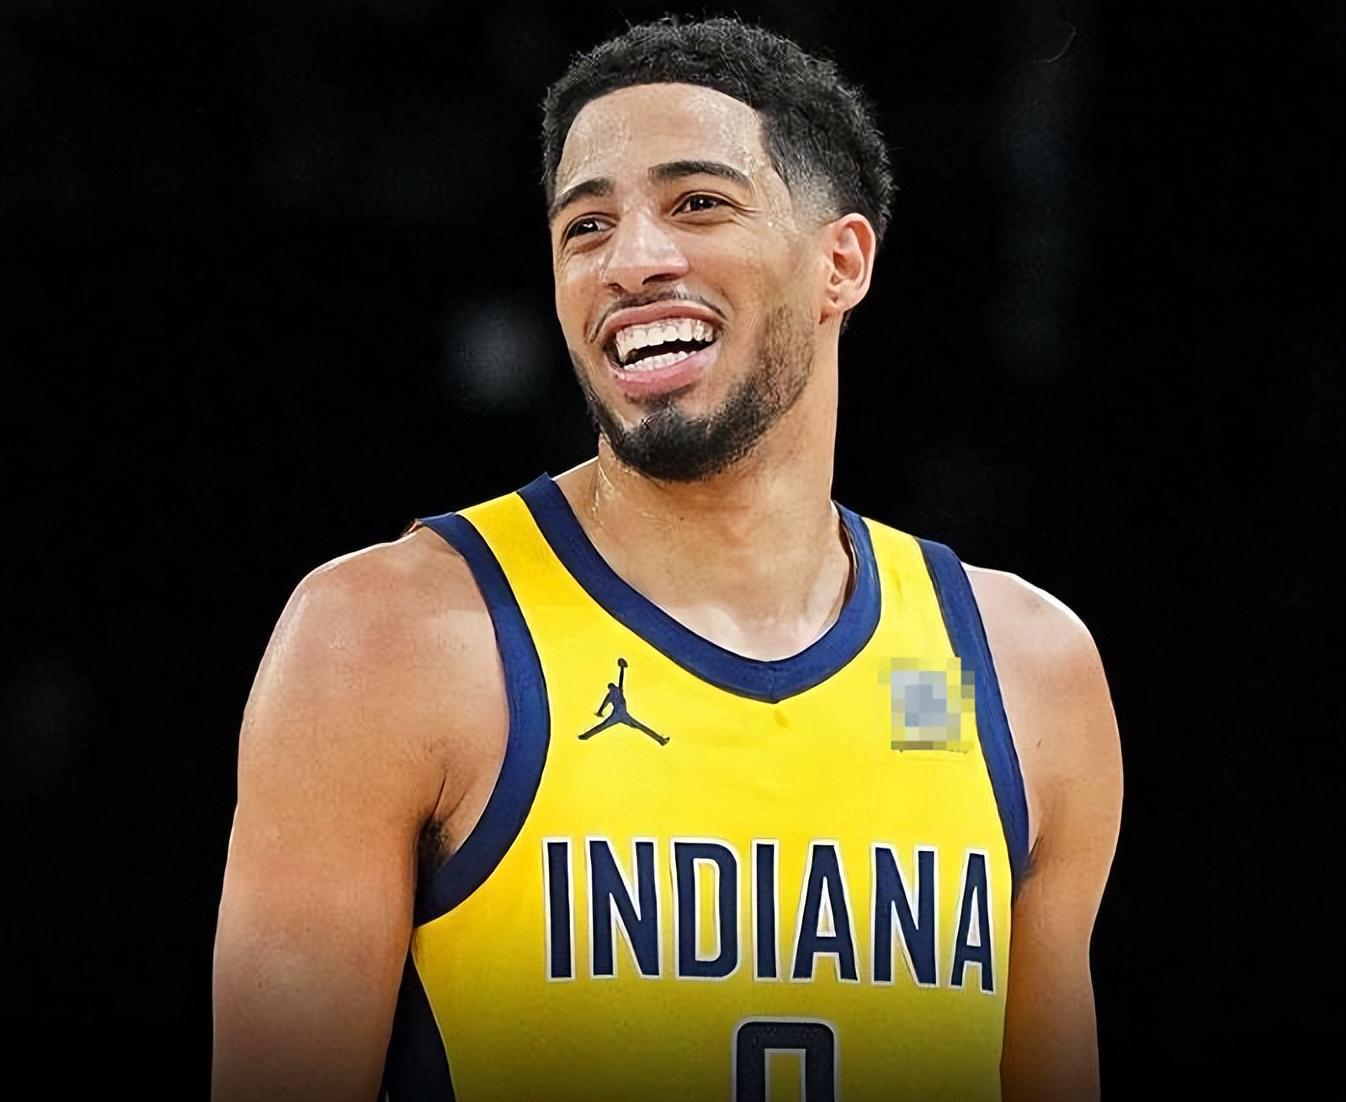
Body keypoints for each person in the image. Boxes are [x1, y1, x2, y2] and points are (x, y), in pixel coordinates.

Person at [211, 15, 1122, 1102]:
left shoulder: (1025, 675)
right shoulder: (385, 642)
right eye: (586, 226)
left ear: (840, 263)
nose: (632, 260)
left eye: (697, 203)